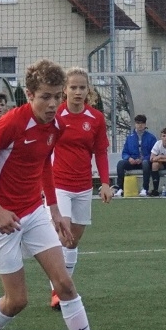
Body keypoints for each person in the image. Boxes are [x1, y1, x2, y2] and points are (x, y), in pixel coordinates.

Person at [0, 59, 117, 330]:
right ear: (29, 95)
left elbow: (45, 163)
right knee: (17, 301)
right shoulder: (10, 124)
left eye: (57, 96)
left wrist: (54, 209)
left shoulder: (55, 125)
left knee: (65, 286)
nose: (52, 104)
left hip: (33, 213)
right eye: (45, 96)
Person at [48, 67, 111, 309]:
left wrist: (104, 183)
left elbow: (101, 152)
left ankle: (63, 286)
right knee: (63, 236)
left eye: (82, 87)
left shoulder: (96, 118)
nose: (77, 91)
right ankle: (58, 291)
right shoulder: (56, 115)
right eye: (73, 87)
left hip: (84, 186)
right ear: (64, 90)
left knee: (73, 242)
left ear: (88, 91)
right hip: (59, 185)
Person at [115, 114, 157, 197]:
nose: (140, 125)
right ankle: (120, 188)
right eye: (138, 123)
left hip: (144, 162)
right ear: (135, 124)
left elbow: (154, 153)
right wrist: (129, 158)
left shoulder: (151, 137)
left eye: (142, 123)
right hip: (132, 162)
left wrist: (143, 159)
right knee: (120, 163)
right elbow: (124, 152)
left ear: (145, 124)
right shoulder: (130, 137)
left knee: (145, 163)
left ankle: (145, 189)